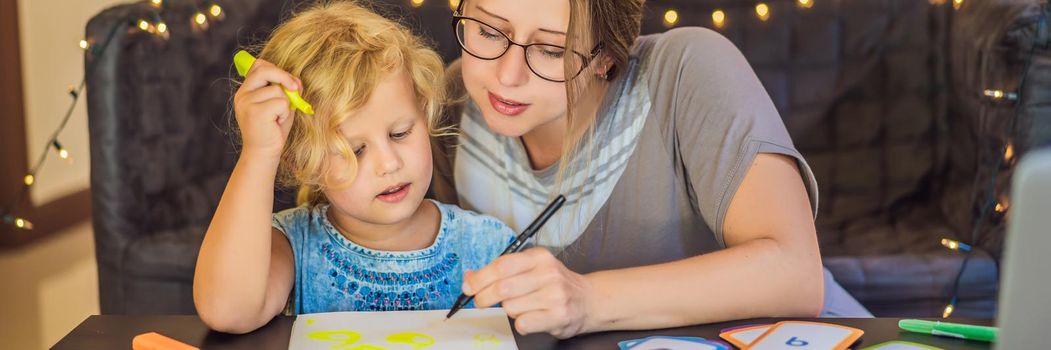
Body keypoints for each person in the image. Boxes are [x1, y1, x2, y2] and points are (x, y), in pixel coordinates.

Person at [428, 0, 872, 338]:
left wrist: (585, 300)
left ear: (605, 58)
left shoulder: (686, 70)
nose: (506, 76)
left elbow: (794, 274)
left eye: (549, 50)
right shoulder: (453, 104)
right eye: (487, 31)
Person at [192, 1, 514, 334]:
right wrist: (259, 153)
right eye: (355, 150)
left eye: (400, 132)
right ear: (302, 162)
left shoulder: (489, 245)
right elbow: (227, 312)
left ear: (424, 111)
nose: (390, 163)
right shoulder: (291, 248)